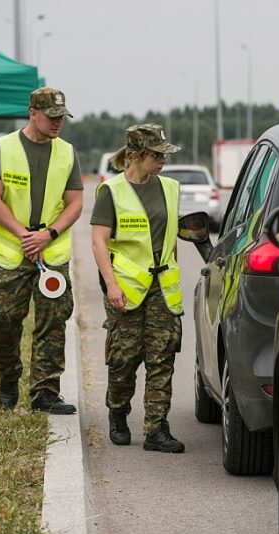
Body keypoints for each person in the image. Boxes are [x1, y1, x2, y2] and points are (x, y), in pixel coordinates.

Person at [0, 87, 83, 414]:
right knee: (3, 319)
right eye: (52, 116)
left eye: (62, 117)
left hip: (51, 252)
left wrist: (49, 234)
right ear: (32, 112)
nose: (58, 123)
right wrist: (23, 235)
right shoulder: (3, 148)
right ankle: (9, 377)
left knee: (53, 318)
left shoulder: (67, 152)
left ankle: (45, 392)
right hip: (11, 250)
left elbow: (75, 203)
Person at [90, 123, 186, 453]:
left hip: (162, 287)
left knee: (162, 357)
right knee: (124, 359)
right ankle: (118, 411)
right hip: (126, 289)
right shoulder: (111, 192)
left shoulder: (171, 188)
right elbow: (99, 241)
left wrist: (173, 273)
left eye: (163, 155)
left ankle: (156, 428)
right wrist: (111, 285)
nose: (162, 161)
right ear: (135, 155)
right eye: (156, 155)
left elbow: (170, 239)